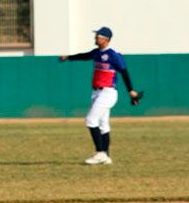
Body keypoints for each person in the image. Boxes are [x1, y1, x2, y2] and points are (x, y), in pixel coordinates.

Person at [59, 27, 139, 165]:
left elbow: (124, 72)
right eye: (96, 36)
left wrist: (131, 90)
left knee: (90, 120)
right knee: (103, 125)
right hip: (97, 92)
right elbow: (84, 56)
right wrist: (68, 57)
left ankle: (100, 153)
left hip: (108, 93)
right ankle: (106, 156)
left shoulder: (113, 55)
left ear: (106, 39)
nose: (95, 38)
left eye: (98, 36)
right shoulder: (97, 52)